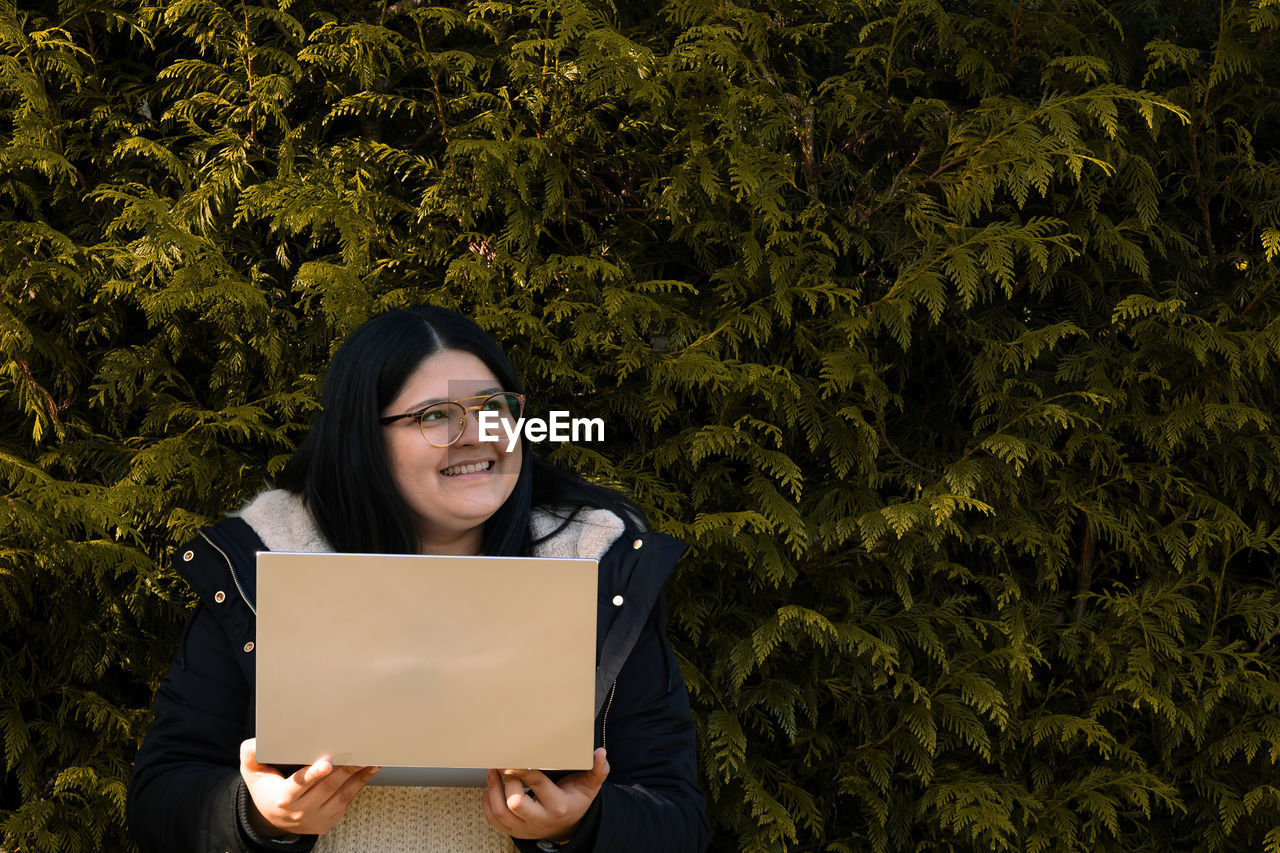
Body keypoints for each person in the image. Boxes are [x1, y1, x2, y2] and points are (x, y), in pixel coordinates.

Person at [127, 305, 710, 852]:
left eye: (492, 408)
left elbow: (678, 816)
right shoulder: (264, 560)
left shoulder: (596, 564)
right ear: (363, 438)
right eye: (435, 415)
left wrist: (585, 824)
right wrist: (255, 818)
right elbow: (162, 797)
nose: (478, 435)